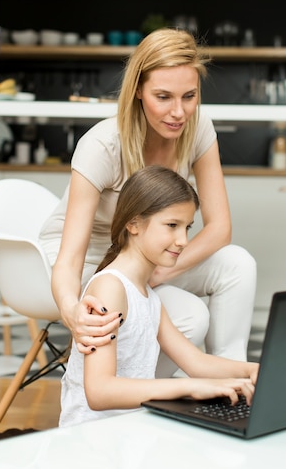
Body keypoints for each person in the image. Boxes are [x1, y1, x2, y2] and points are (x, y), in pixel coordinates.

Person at [39, 27, 256, 376]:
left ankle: (231, 379)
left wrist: (162, 269)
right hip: (96, 262)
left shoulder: (198, 128)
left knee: (238, 264)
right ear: (138, 90)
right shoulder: (103, 146)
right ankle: (140, 406)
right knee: (191, 317)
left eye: (189, 96)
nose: (178, 112)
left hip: (152, 256)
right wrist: (70, 308)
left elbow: (220, 228)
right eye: (163, 97)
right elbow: (69, 258)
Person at [59, 165, 259, 427]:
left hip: (129, 433)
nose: (183, 240)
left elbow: (196, 363)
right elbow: (99, 392)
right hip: (93, 441)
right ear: (133, 223)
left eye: (187, 227)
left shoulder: (147, 296)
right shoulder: (110, 288)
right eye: (172, 225)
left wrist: (254, 371)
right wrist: (189, 388)